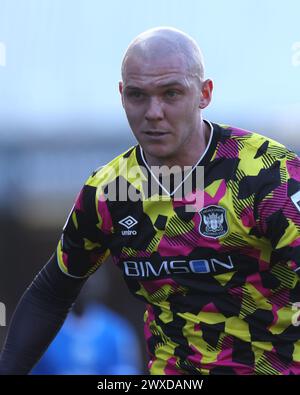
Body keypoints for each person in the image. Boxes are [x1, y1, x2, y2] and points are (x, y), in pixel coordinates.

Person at [1, 26, 300, 375]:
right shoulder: (109, 192)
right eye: (137, 95)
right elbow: (51, 292)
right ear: (121, 94)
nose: (153, 112)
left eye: (171, 93)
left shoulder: (268, 175)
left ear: (204, 94)